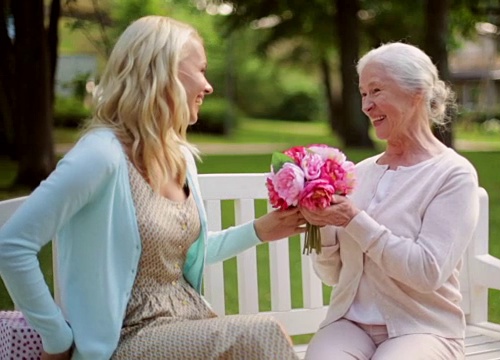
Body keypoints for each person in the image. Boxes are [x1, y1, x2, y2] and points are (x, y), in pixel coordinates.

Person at [0, 16, 303, 360]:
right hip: (127, 339)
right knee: (262, 335)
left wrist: (261, 230)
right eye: (200, 70)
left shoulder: (179, 157)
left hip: (188, 326)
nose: (208, 86)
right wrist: (56, 340)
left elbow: (180, 258)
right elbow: (12, 245)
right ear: (163, 73)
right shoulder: (101, 155)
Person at [301, 42, 480, 360]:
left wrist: (353, 219)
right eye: (363, 93)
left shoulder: (453, 174)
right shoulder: (358, 173)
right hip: (349, 324)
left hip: (424, 327)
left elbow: (426, 272)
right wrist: (324, 224)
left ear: (418, 93)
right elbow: (332, 276)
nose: (366, 106)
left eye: (376, 90)